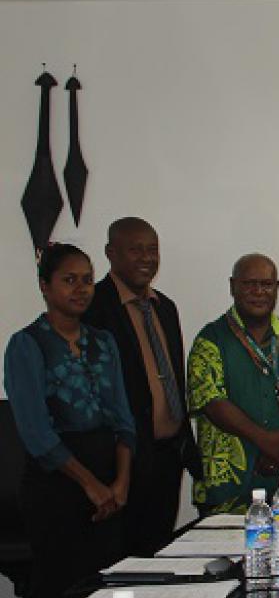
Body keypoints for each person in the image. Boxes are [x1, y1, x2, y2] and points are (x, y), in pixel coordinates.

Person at [4, 244, 136, 598]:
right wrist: (90, 485)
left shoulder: (103, 342)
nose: (81, 289)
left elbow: (124, 420)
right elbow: (36, 434)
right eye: (69, 280)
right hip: (57, 486)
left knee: (106, 585)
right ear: (45, 286)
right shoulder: (26, 345)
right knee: (61, 586)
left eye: (88, 280)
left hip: (110, 486)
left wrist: (120, 483)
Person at [83, 217, 201, 554]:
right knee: (122, 557)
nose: (146, 258)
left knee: (158, 551)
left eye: (152, 250)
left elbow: (174, 380)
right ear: (111, 253)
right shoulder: (94, 308)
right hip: (122, 459)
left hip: (168, 455)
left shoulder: (165, 308)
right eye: (136, 250)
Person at [187, 253, 279, 514]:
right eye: (249, 284)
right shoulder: (210, 340)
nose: (258, 292)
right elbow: (212, 402)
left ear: (276, 288)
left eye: (266, 284)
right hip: (229, 490)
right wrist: (265, 441)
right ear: (232, 286)